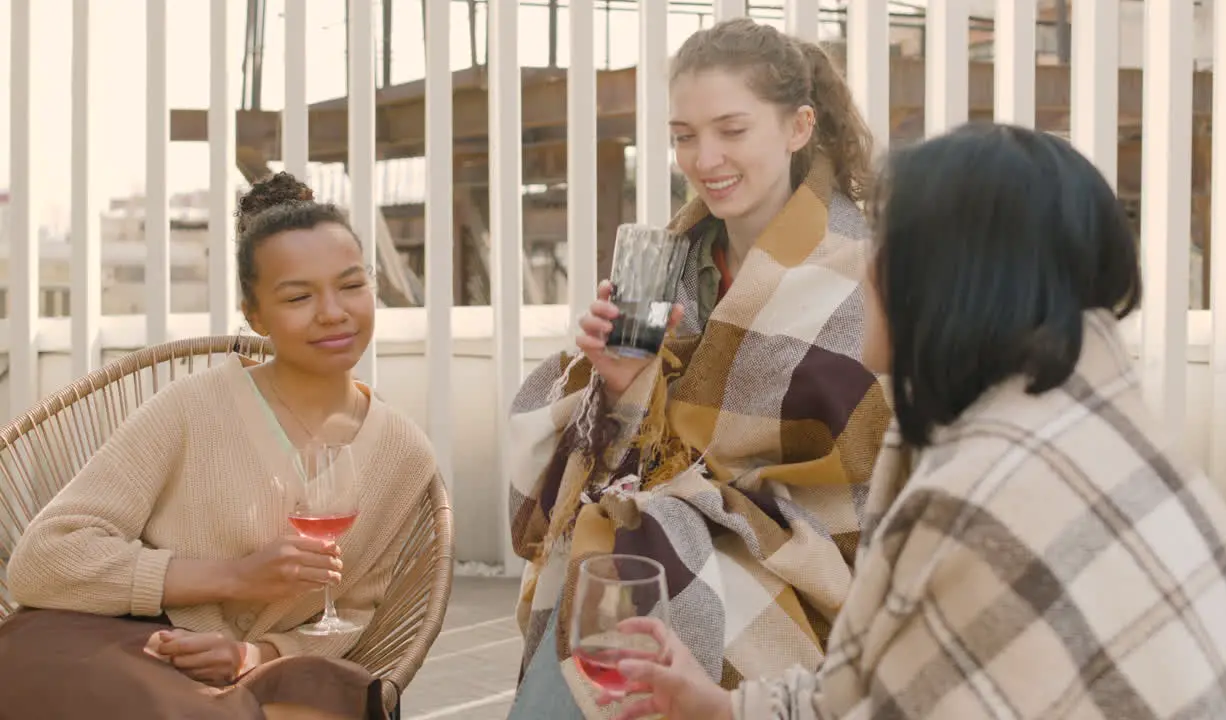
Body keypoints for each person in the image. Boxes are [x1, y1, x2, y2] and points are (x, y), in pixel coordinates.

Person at [600, 122, 1226, 719]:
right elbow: (880, 688)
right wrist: (718, 707)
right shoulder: (1082, 426)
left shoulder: (988, 492)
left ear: (951, 278)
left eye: (886, 243)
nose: (863, 266)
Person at [506, 17, 892, 718]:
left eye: (731, 129)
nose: (704, 156)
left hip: (801, 570)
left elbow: (875, 476)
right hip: (655, 542)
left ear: (799, 127)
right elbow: (615, 460)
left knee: (620, 575)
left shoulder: (860, 274)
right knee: (614, 567)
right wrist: (620, 383)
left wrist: (705, 508)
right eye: (684, 134)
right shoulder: (665, 265)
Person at [0, 172, 439, 719]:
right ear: (254, 315)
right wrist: (233, 577)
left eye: (351, 286)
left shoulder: (404, 453)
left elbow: (354, 611)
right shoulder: (191, 407)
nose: (332, 312)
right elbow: (41, 561)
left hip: (261, 672)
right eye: (299, 296)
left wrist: (253, 653)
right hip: (129, 644)